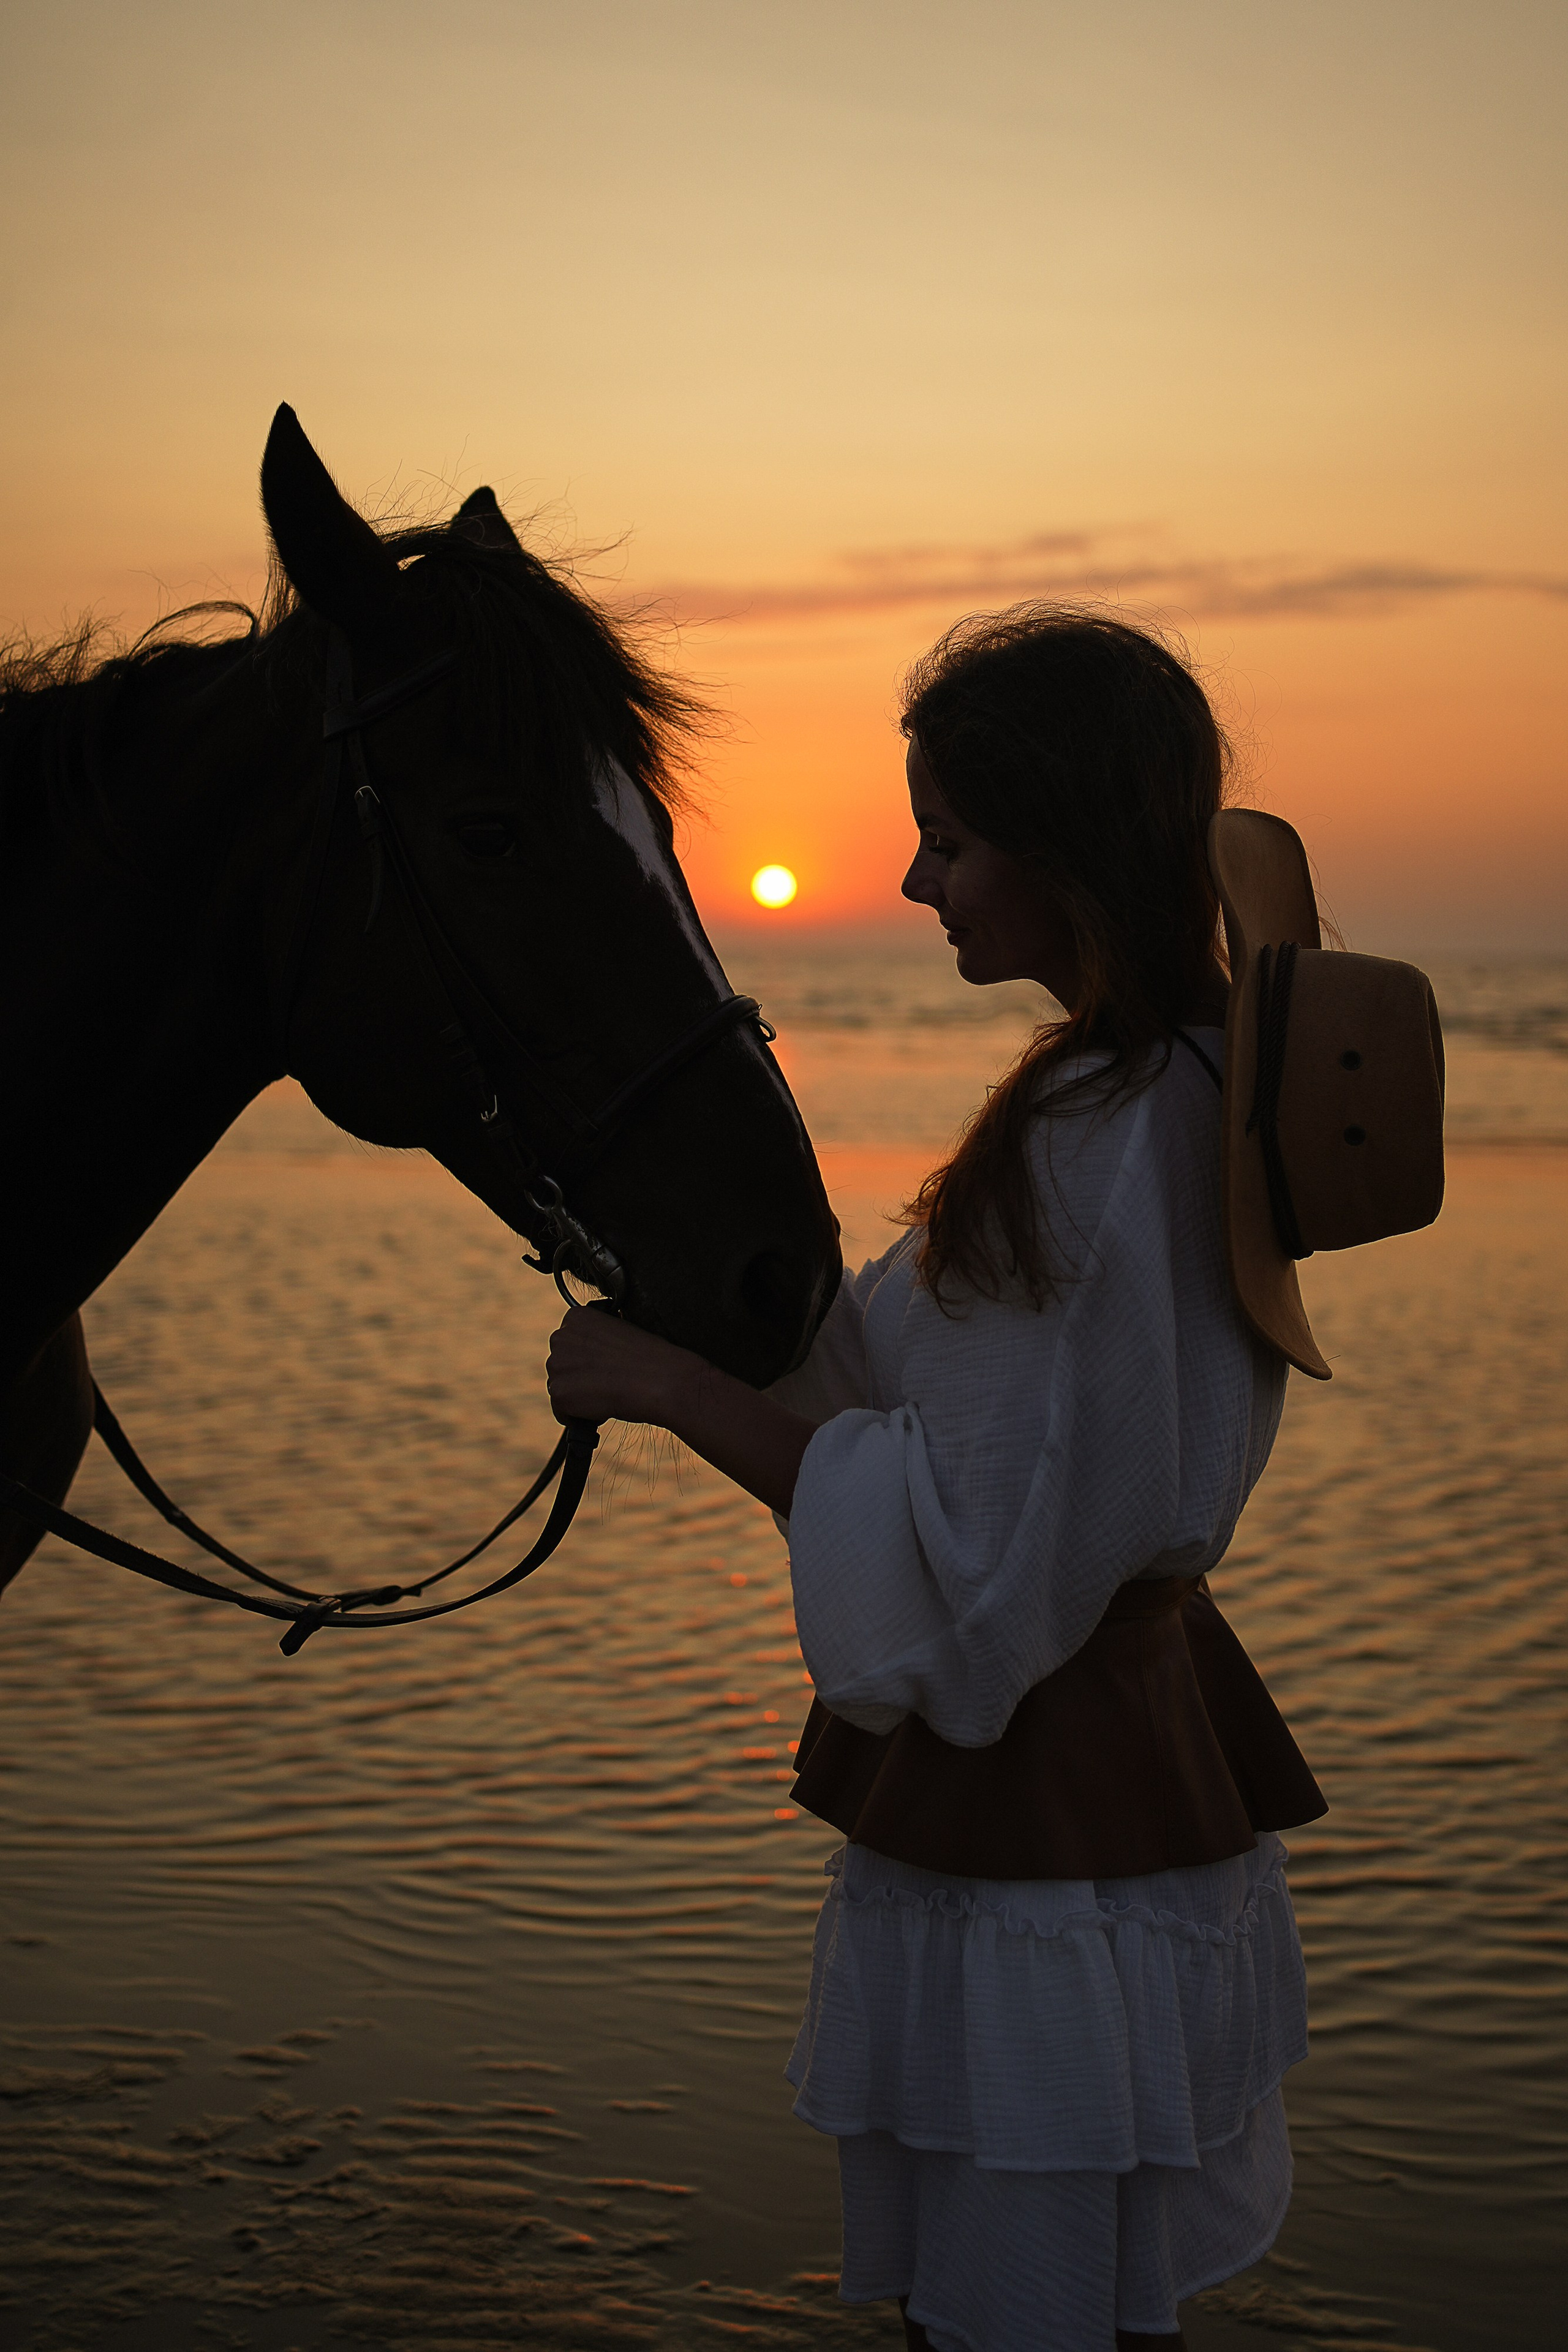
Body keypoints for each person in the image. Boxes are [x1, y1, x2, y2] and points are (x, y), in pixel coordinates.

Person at [546, 606, 1325, 2352]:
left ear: (1060, 849)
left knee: (1008, 2311)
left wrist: (659, 1382)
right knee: (1094, 2307)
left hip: (1041, 1819)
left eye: (953, 841)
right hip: (1136, 1781)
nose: (916, 881)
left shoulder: (1095, 1138)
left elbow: (966, 1571)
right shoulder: (1184, 1081)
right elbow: (931, 1408)